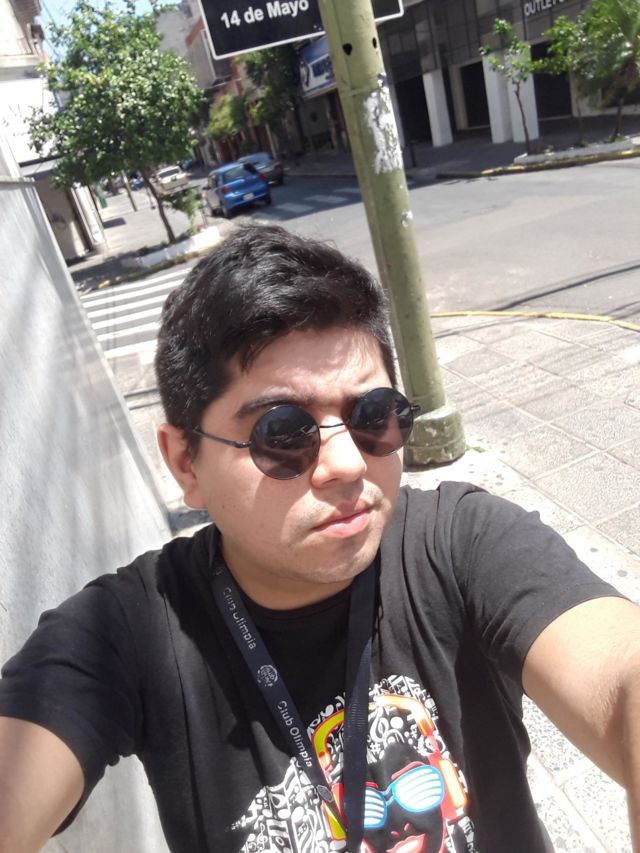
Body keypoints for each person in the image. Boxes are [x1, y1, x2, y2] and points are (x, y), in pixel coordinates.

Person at [0, 223, 639, 853]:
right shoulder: (130, 631)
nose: (348, 464)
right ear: (186, 463)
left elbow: (621, 676)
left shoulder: (460, 543)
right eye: (283, 433)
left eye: (373, 416)